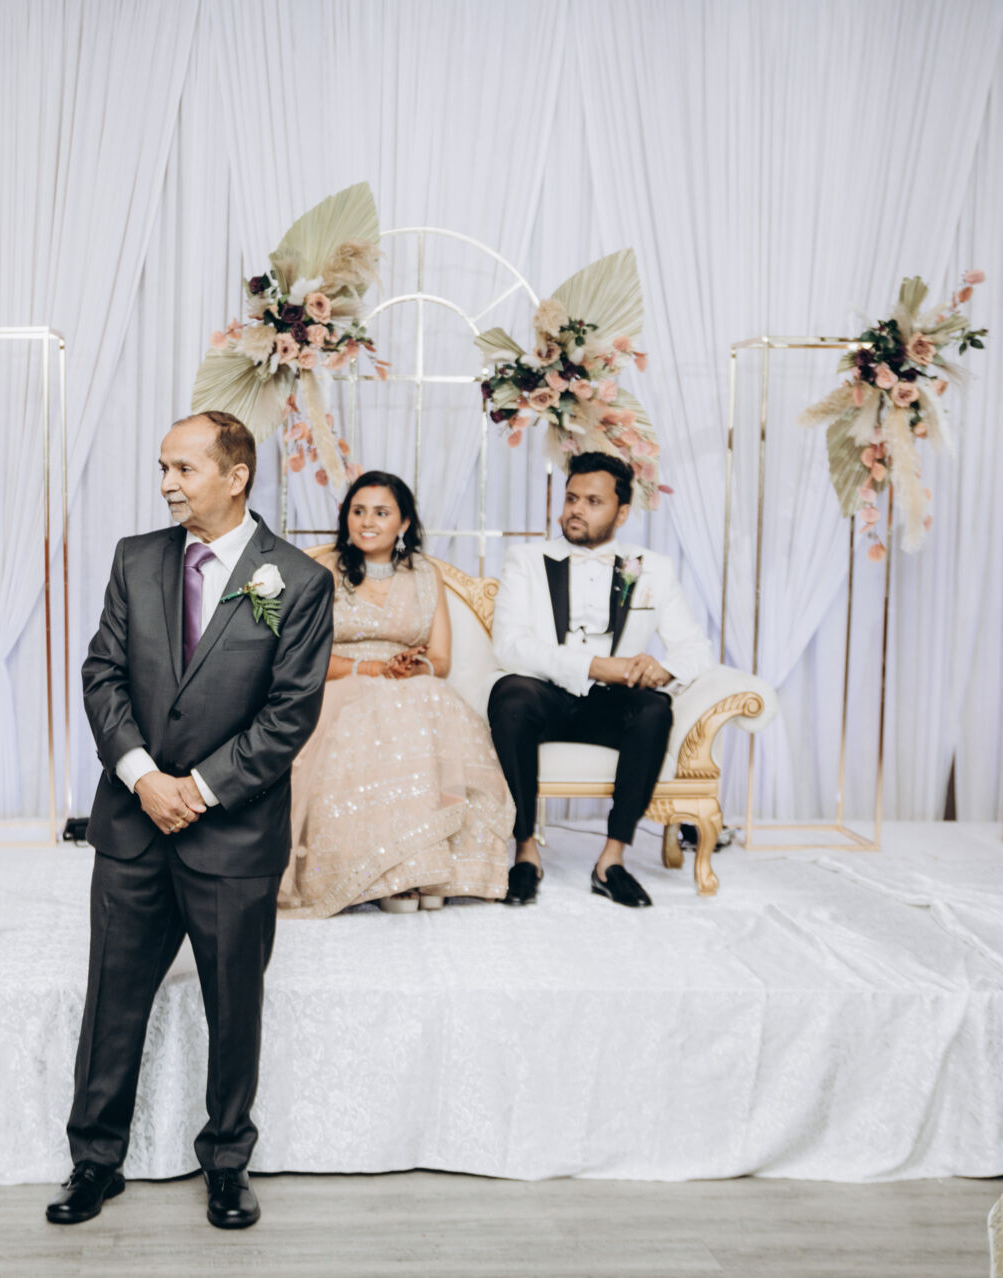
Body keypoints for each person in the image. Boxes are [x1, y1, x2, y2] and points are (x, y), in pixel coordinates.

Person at [53, 410, 333, 1231]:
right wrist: (143, 776)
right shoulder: (135, 559)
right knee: (113, 999)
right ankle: (94, 1161)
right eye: (163, 468)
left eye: (184, 468)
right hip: (133, 823)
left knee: (233, 1006)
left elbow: (288, 716)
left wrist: (199, 790)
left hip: (233, 836)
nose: (168, 484)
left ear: (236, 476)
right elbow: (102, 674)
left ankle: (227, 1162)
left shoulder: (298, 581)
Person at [279, 471, 514, 916]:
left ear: (403, 523)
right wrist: (370, 669)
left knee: (427, 704)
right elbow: (303, 656)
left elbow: (440, 658)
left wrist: (409, 667)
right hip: (339, 682)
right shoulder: (323, 571)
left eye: (381, 512)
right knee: (374, 714)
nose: (367, 522)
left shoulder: (425, 574)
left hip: (408, 682)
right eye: (358, 511)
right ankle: (386, 875)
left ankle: (434, 870)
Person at [487, 452, 714, 909]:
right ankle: (526, 855)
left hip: (610, 704)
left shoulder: (652, 568)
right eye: (572, 498)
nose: (576, 509)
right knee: (510, 694)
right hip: (545, 696)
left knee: (655, 707)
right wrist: (593, 665)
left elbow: (696, 648)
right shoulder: (526, 560)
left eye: (593, 502)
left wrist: (663, 669)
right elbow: (509, 646)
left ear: (622, 513)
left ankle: (611, 862)